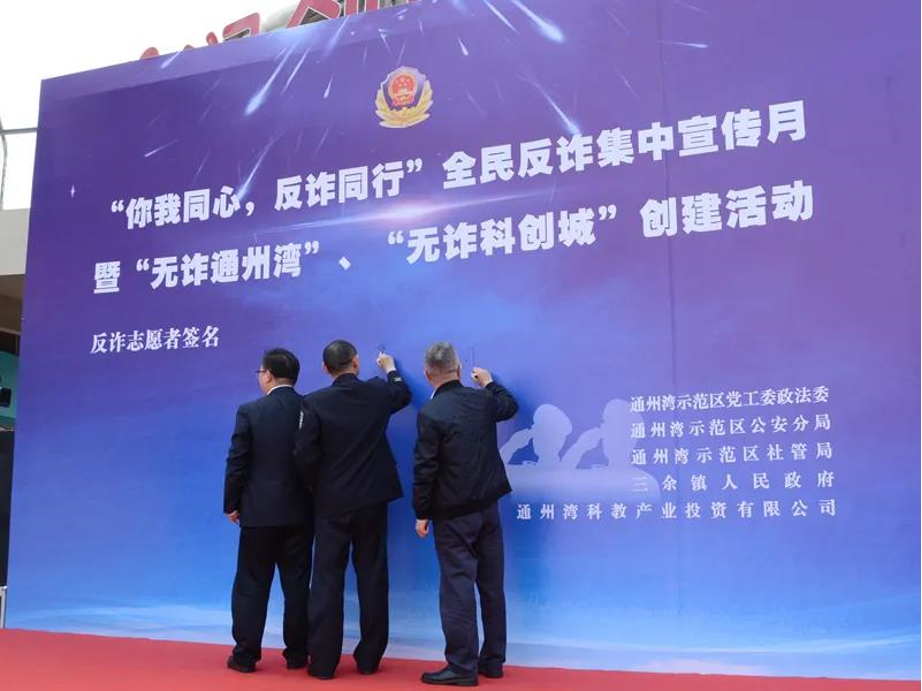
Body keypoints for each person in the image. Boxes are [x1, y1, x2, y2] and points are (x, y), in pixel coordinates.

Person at [294, 339, 411, 679]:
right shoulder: (377, 392)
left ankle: (324, 662)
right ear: (356, 363)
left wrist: (318, 485)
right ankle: (370, 658)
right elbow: (402, 395)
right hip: (372, 500)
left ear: (325, 369)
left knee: (327, 580)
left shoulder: (313, 402)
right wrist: (390, 368)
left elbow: (303, 454)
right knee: (373, 575)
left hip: (331, 502)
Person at [414, 341, 518, 687]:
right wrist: (489, 382)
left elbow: (425, 468)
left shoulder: (431, 414)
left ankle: (461, 666)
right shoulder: (483, 400)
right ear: (458, 369)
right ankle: (493, 661)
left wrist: (421, 512)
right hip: (488, 507)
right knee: (492, 586)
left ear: (427, 374)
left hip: (453, 514)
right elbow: (509, 405)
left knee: (457, 588)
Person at [223, 348, 312, 673]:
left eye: (260, 372)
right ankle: (298, 654)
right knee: (297, 585)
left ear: (269, 375)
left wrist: (231, 503)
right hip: (301, 512)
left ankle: (246, 656)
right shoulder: (311, 408)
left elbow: (237, 461)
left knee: (252, 585)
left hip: (259, 513)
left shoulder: (250, 411)